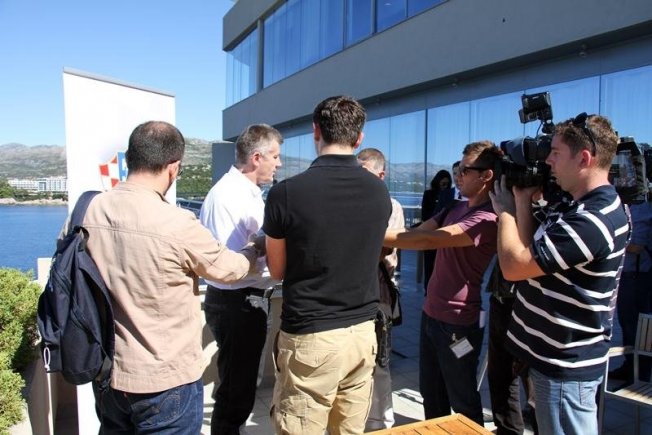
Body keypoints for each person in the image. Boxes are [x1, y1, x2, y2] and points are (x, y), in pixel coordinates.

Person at [80, 121, 262, 433]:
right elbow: (229, 269)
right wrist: (254, 248)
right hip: (165, 380)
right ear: (173, 167)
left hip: (108, 372)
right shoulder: (176, 222)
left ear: (131, 158)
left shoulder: (88, 210)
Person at [489, 113, 629, 435]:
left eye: (555, 152)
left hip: (564, 369)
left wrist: (506, 214)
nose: (547, 161)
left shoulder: (593, 220)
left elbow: (513, 267)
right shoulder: (572, 206)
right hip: (548, 359)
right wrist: (522, 201)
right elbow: (530, 253)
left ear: (584, 158)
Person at [263, 95, 392, 435]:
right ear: (359, 138)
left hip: (311, 336)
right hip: (362, 333)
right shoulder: (379, 192)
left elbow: (277, 271)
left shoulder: (285, 193)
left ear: (316, 131)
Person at [384, 140, 503, 425]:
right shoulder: (454, 206)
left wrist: (365, 233)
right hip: (431, 313)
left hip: (459, 322)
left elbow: (429, 240)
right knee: (432, 393)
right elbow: (417, 232)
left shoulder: (487, 218)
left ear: (486, 176)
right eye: (457, 168)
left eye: (465, 170)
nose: (458, 175)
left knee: (462, 398)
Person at [199, 124, 283, 434]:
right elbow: (229, 266)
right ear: (257, 158)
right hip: (238, 302)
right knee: (236, 391)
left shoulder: (239, 192)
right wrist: (264, 247)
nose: (279, 163)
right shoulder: (231, 195)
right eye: (275, 156)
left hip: (239, 301)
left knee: (239, 385)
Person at [356, 147, 405, 431]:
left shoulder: (391, 206)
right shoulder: (349, 203)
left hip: (378, 293)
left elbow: (383, 248)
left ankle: (380, 423)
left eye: (364, 172)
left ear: (381, 174)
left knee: (379, 363)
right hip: (351, 294)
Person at [609, 190, 652, 383]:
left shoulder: (641, 206)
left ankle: (640, 375)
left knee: (636, 327)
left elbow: (637, 245)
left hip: (638, 276)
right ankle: (630, 367)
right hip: (630, 274)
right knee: (628, 325)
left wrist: (606, 241)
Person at [420, 170, 452, 293]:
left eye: (447, 184)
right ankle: (428, 289)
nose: (444, 187)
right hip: (430, 232)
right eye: (442, 184)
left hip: (443, 233)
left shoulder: (450, 196)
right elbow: (425, 214)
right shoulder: (429, 194)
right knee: (429, 263)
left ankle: (440, 289)